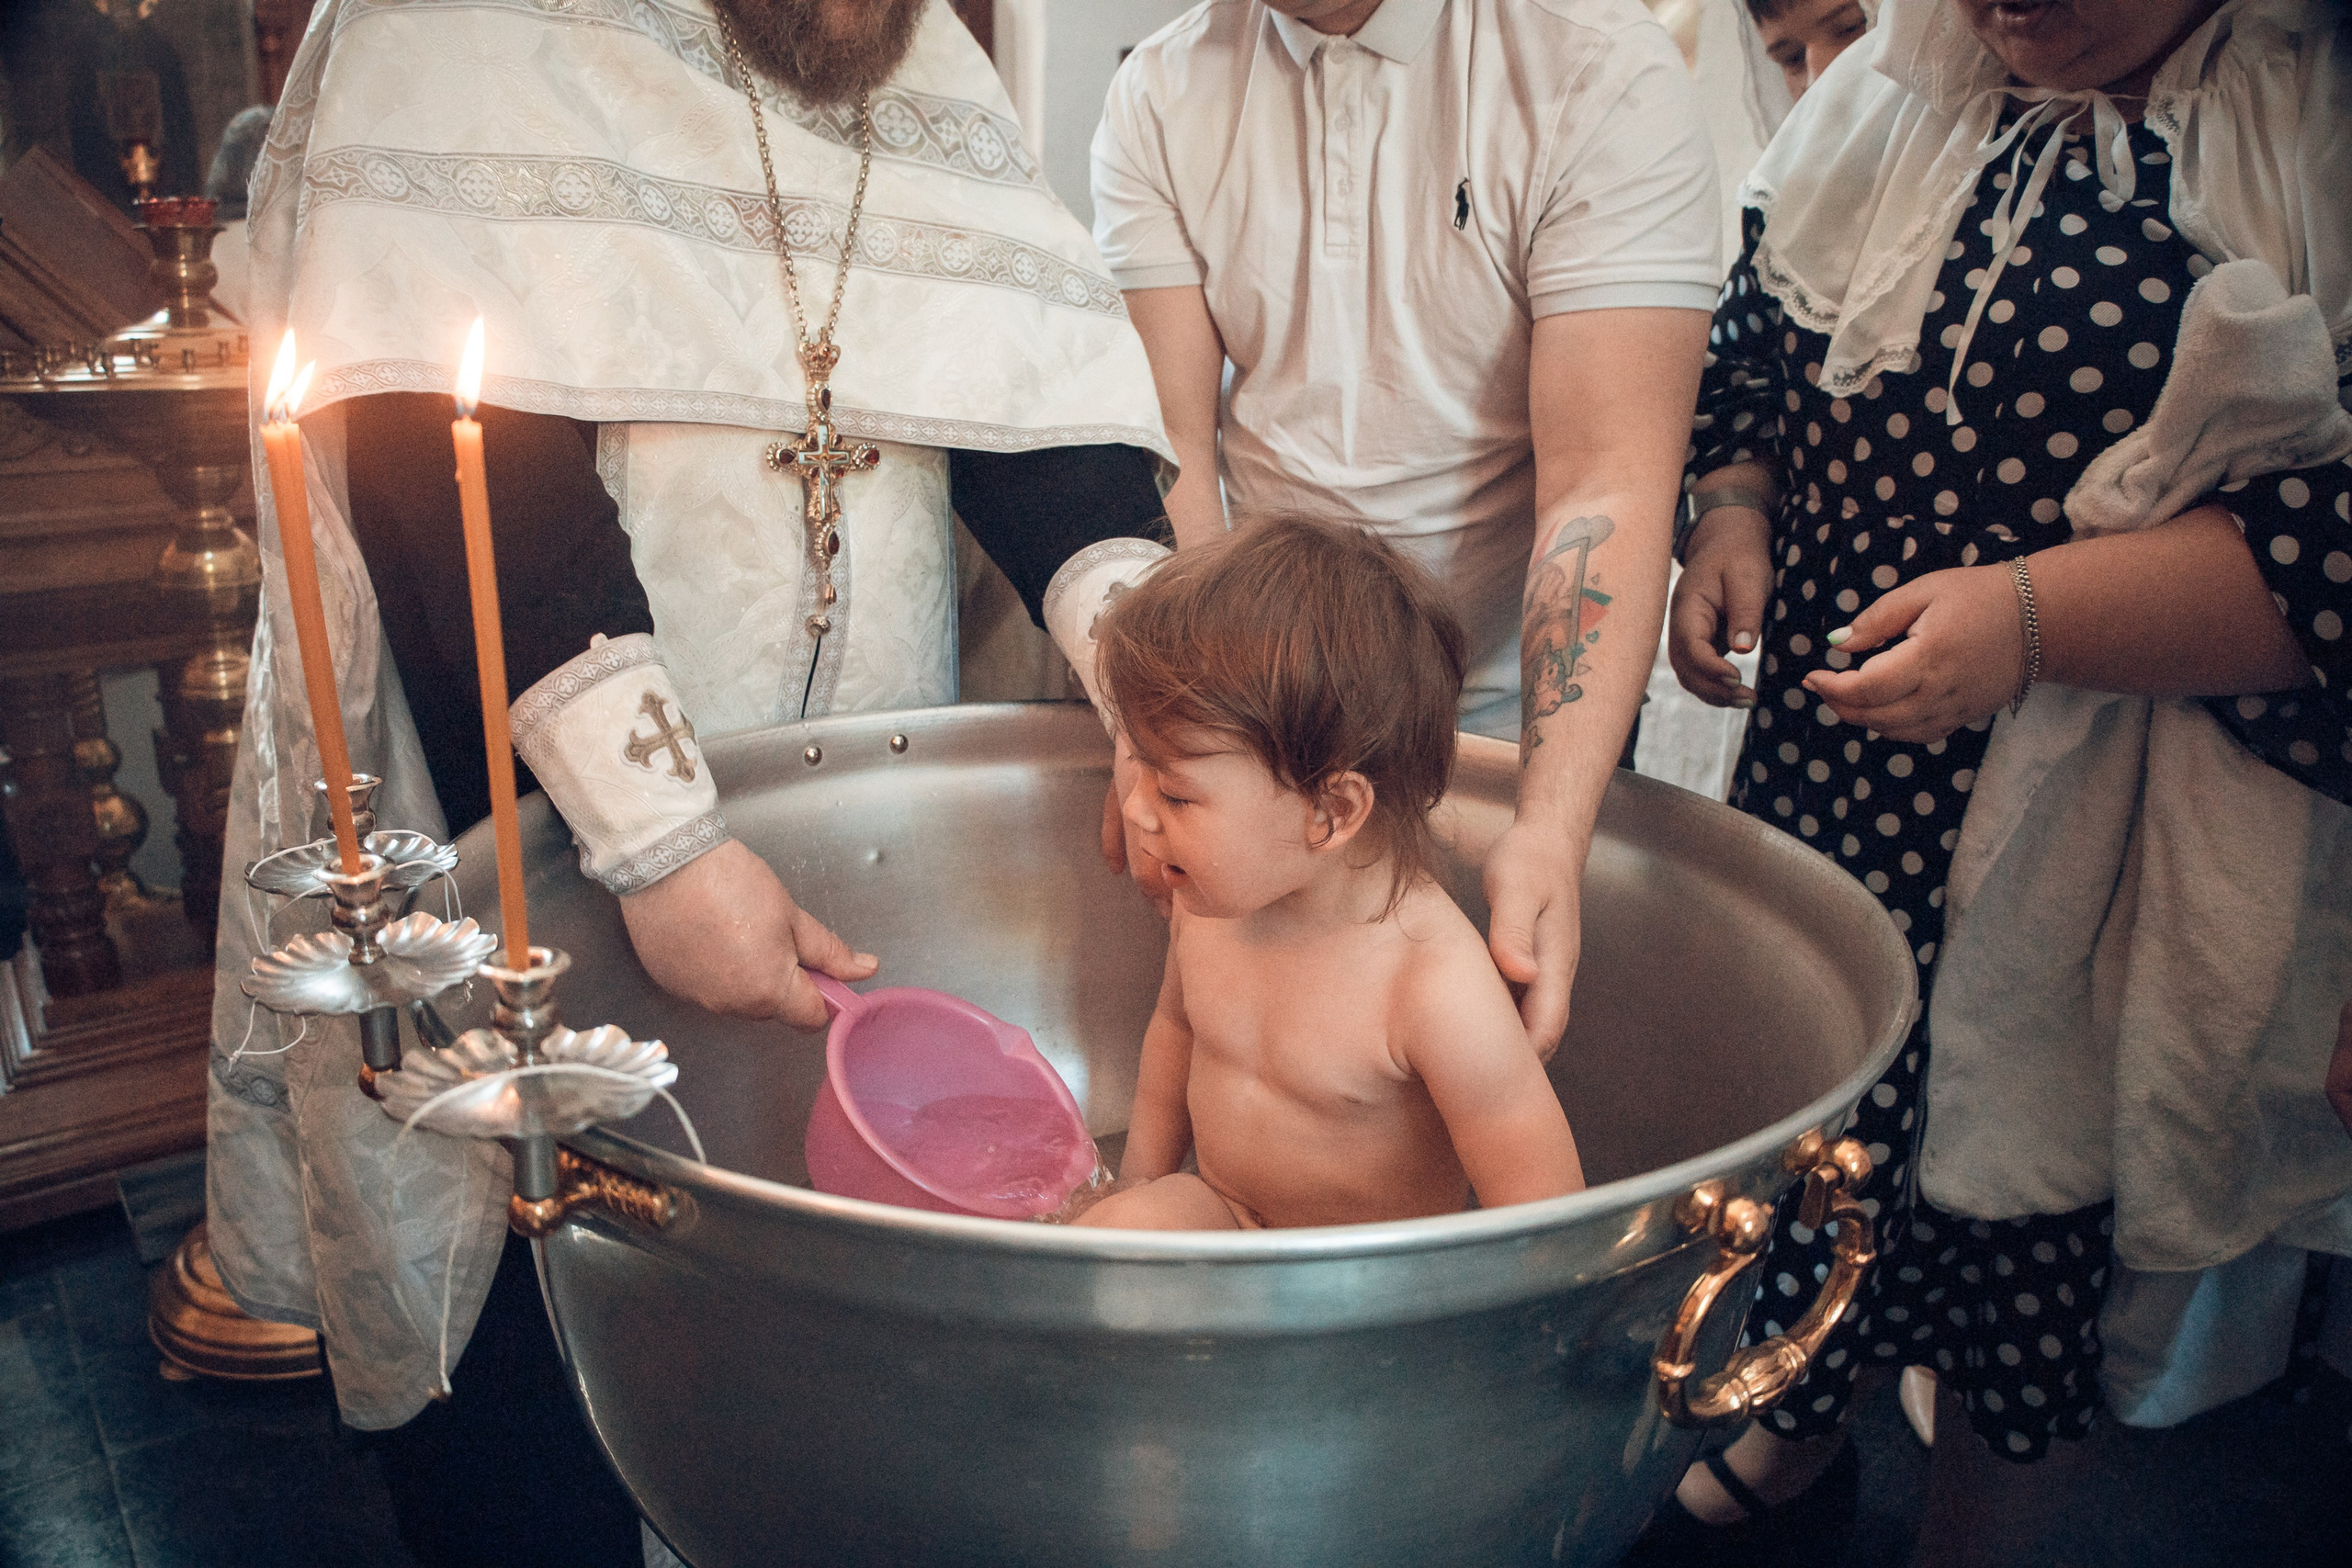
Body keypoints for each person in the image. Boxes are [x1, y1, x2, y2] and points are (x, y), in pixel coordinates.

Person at [209, 3, 1178, 1564]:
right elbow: (444, 441)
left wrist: (1158, 684)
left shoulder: (920, 61)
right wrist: (660, 840)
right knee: (552, 1386)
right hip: (536, 843)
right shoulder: (453, 32)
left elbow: (1035, 407)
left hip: (867, 853)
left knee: (843, 1378)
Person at [1650, 0, 2350, 1559]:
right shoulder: (1901, 89)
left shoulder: (2306, 125)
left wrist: (2035, 622)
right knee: (1822, 1144)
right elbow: (1759, 329)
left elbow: (2335, 549)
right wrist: (1739, 501)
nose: (2003, 7)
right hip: (1842, 772)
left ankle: (1976, 1529)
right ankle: (1799, 1430)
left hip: (2088, 797)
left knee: (2018, 1201)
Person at [1090, 0, 1722, 1060]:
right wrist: (1169, 729)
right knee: (1257, 1058)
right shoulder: (1161, 89)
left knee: (1470, 1071)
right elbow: (1176, 450)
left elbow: (1603, 485)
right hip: (1263, 716)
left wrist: (1551, 823)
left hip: (1505, 710)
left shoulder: (1598, 72)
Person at [1071, 516, 1586, 1233]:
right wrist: (1137, 1182)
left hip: (1374, 1288)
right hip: (1229, 1216)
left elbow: (1546, 1211)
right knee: (1108, 1241)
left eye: (1176, 792)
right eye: (1140, 770)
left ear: (1332, 811)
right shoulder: (1207, 906)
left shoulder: (1432, 985)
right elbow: (1176, 1030)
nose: (1135, 808)